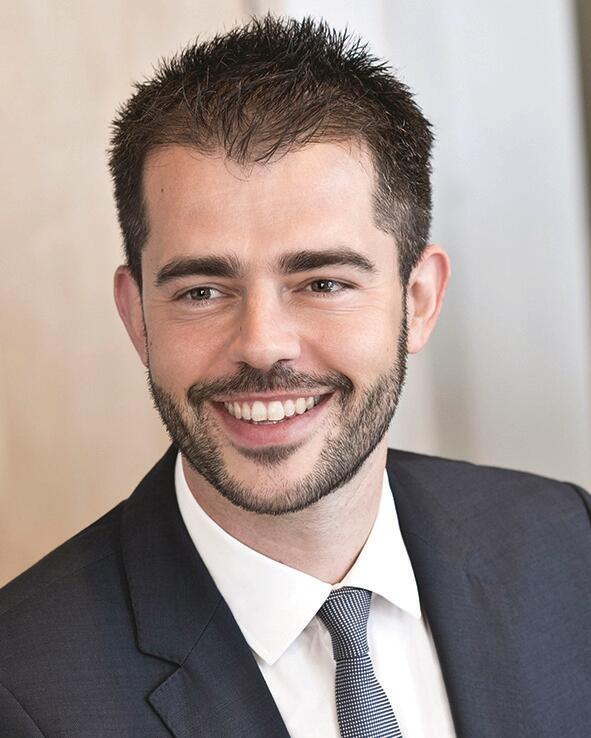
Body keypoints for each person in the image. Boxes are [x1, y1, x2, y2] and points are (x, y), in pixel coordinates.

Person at [1, 14, 589, 738]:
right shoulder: (23, 689)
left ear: (418, 300)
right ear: (137, 316)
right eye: (201, 292)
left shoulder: (569, 544)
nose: (261, 345)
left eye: (322, 283)